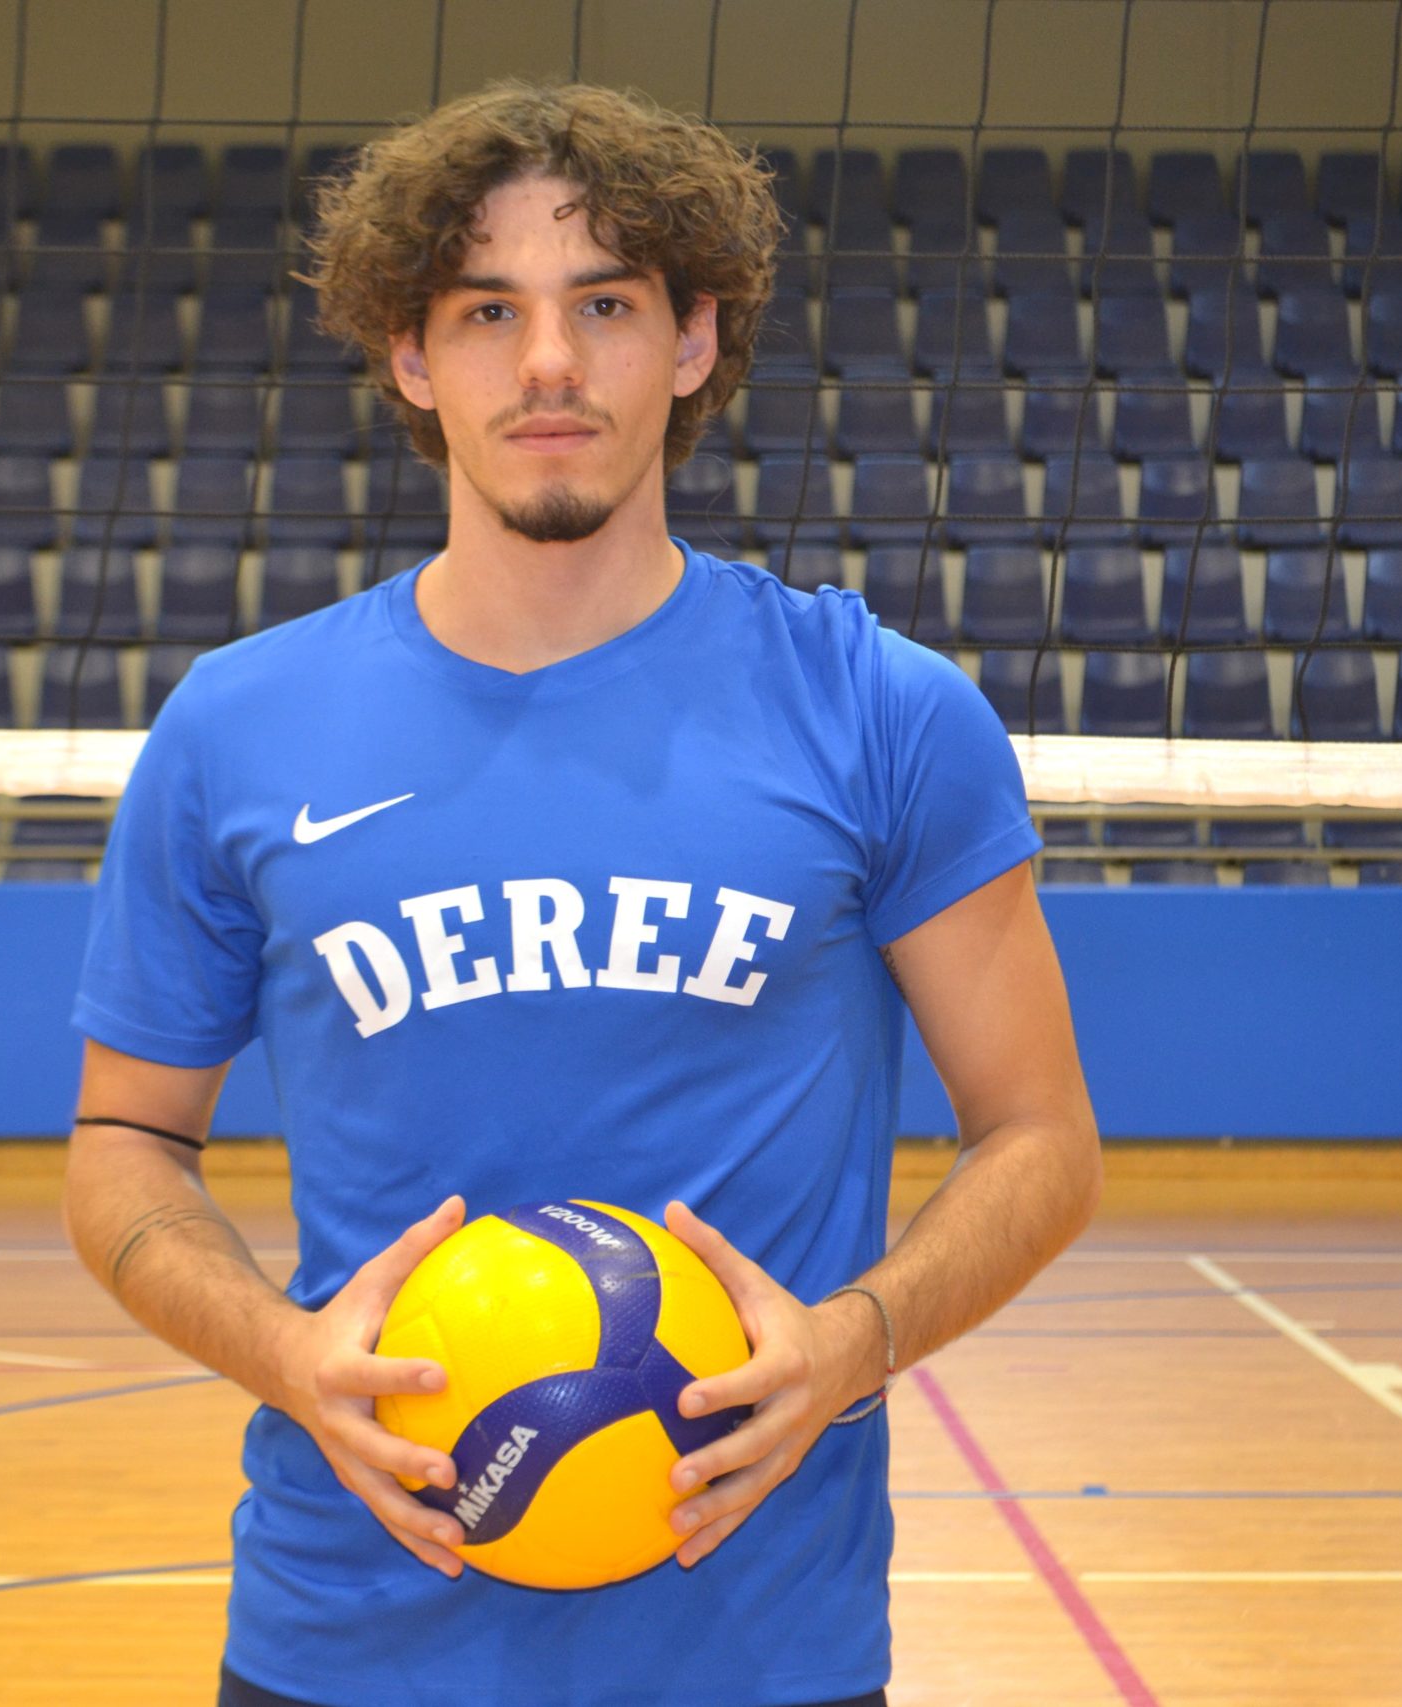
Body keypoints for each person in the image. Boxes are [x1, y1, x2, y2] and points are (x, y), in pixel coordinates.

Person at [62, 79, 1102, 1707]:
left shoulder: (881, 713)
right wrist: (283, 1351)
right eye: (489, 311)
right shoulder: (238, 727)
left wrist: (857, 1339)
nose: (548, 362)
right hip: (348, 1640)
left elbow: (1042, 1140)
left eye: (605, 305)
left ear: (694, 340)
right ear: (412, 358)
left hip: (761, 1652)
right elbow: (122, 1144)